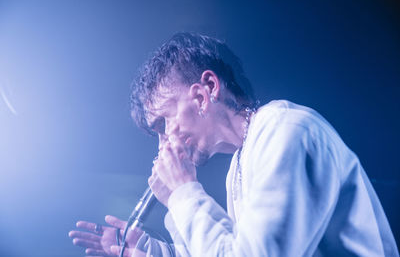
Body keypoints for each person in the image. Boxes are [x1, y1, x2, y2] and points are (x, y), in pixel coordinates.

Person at [69, 32, 398, 256]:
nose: (163, 144)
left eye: (163, 123)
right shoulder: (243, 161)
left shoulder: (286, 131)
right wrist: (152, 251)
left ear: (204, 92)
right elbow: (229, 249)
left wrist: (185, 193)